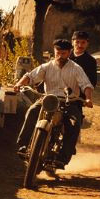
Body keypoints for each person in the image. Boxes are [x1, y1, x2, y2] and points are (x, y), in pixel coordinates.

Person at [14, 39, 94, 169]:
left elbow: (86, 85)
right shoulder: (47, 66)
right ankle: (23, 145)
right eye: (58, 53)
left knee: (75, 122)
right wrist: (19, 84)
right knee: (32, 111)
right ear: (54, 51)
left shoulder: (76, 68)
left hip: (68, 102)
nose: (60, 56)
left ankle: (63, 158)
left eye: (63, 53)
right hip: (48, 99)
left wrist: (89, 99)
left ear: (69, 53)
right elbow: (30, 76)